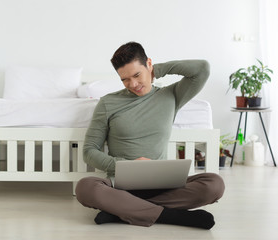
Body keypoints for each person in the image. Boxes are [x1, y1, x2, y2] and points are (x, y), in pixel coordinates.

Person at [75, 42, 225, 229]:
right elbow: (89, 151)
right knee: (85, 188)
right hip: (120, 186)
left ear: (149, 65)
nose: (134, 84)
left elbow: (202, 69)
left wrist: (158, 70)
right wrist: (125, 165)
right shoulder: (108, 103)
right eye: (125, 80)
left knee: (214, 184)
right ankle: (172, 216)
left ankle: (121, 211)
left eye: (137, 75)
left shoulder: (171, 96)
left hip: (162, 184)